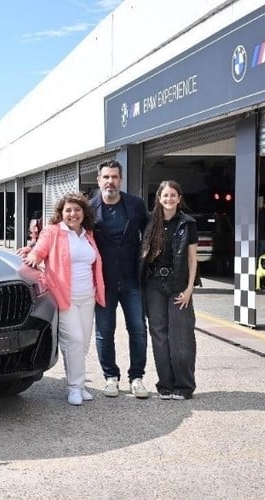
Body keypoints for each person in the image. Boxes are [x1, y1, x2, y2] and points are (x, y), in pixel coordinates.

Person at [22, 192, 106, 406]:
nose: (72, 214)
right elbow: (39, 250)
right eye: (68, 210)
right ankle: (74, 388)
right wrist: (32, 255)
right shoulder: (53, 232)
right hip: (64, 296)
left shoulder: (87, 234)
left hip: (88, 296)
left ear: (83, 212)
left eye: (77, 210)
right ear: (61, 213)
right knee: (74, 340)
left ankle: (78, 383)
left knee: (83, 342)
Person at [89, 160, 151, 399]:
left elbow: (149, 234)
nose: (110, 182)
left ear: (121, 180)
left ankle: (137, 377)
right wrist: (35, 249)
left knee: (138, 329)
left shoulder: (135, 205)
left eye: (114, 177)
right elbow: (65, 232)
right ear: (99, 180)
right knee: (105, 332)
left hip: (132, 281)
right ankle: (110, 378)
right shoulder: (89, 208)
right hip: (103, 283)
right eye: (106, 177)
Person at [140, 180, 198, 400]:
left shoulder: (187, 223)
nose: (169, 199)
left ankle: (184, 387)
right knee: (159, 336)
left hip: (178, 285)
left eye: (173, 195)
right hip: (154, 285)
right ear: (159, 198)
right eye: (165, 195)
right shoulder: (150, 222)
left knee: (181, 337)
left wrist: (190, 288)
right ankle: (165, 385)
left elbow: (193, 259)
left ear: (179, 198)